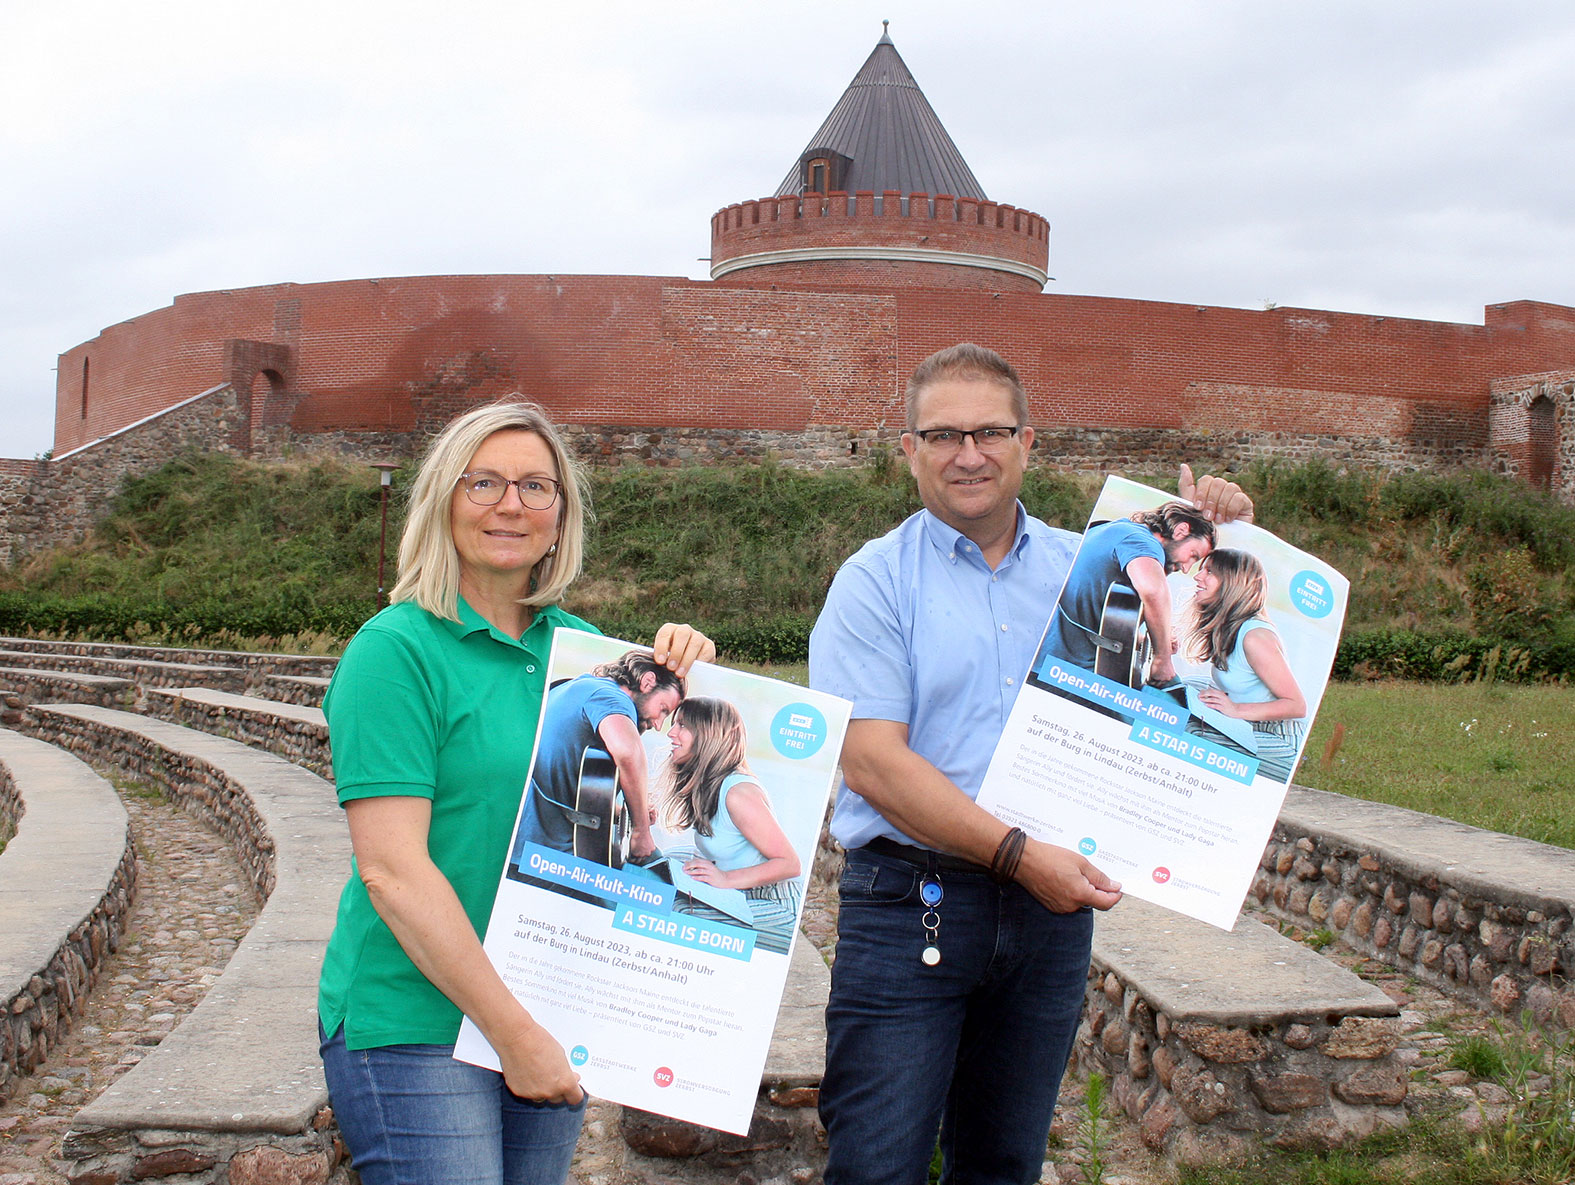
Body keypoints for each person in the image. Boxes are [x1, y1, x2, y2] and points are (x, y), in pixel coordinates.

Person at [809, 343, 1252, 1185]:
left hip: (1049, 920)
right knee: (876, 1164)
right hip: (912, 908)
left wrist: (1218, 531)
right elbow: (872, 764)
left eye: (988, 431)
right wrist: (1016, 854)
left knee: (1004, 1163)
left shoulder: (1086, 563)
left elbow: (1195, 651)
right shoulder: (870, 583)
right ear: (908, 449)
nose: (966, 453)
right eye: (941, 434)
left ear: (1027, 442)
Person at [316, 398, 713, 1185]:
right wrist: (513, 1033)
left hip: (548, 997)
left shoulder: (581, 651)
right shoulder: (395, 651)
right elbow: (392, 872)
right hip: (417, 1017)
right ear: (442, 501)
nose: (510, 504)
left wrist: (688, 670)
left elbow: (652, 763)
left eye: (536, 487)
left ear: (560, 517)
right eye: (484, 482)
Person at [656, 696, 803, 954]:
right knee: (666, 861)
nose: (671, 733)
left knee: (677, 910)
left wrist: (725, 878)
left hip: (773, 902)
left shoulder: (738, 794)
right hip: (742, 889)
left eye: (682, 725)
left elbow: (790, 864)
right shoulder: (709, 784)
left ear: (708, 736)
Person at [512, 649, 686, 866]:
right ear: (648, 682)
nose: (658, 724)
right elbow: (628, 753)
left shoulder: (573, 686)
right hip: (549, 858)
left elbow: (558, 786)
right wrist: (642, 832)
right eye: (663, 710)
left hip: (520, 845)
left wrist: (625, 812)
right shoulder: (613, 699)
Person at [1042, 500, 1217, 687]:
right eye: (1193, 555)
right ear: (1181, 530)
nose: (1186, 568)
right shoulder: (1142, 542)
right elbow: (1153, 591)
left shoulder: (1114, 528)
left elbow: (1091, 616)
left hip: (1051, 663)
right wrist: (1162, 658)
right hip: (1070, 675)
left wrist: (1151, 638)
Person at [1185, 548, 1307, 782]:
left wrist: (1236, 710)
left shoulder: (1255, 638)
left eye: (1209, 572)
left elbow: (1297, 705)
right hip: (1248, 722)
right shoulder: (1229, 627)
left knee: (1189, 732)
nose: (1197, 576)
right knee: (1184, 687)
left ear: (1232, 583)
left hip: (1277, 738)